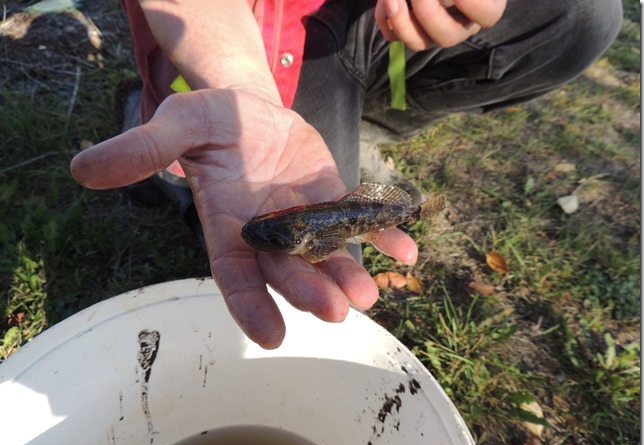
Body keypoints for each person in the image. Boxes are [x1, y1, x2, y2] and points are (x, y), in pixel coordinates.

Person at [70, 0, 622, 349]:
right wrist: (240, 89)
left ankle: (362, 128)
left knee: (585, 12)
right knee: (325, 285)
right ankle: (168, 146)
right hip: (237, 45)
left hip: (357, 27)